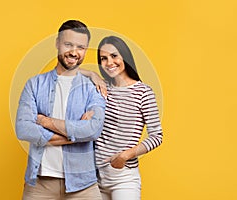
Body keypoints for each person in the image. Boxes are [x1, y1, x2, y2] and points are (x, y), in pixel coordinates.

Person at [15, 20, 106, 200]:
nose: (73, 52)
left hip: (83, 184)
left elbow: (93, 129)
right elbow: (23, 128)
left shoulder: (92, 88)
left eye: (80, 47)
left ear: (86, 50)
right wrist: (75, 134)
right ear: (57, 43)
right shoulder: (34, 84)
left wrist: (45, 122)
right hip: (40, 183)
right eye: (68, 44)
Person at [81, 36, 163, 200]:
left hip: (124, 178)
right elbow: (67, 71)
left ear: (124, 56)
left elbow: (156, 136)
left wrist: (125, 155)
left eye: (114, 56)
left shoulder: (143, 92)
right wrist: (92, 74)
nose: (109, 62)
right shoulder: (102, 88)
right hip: (94, 178)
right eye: (103, 58)